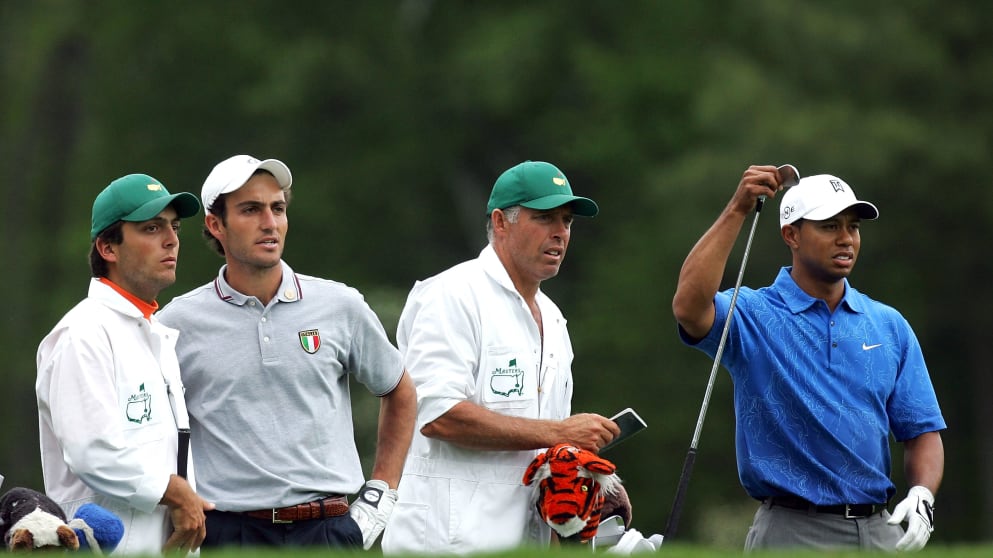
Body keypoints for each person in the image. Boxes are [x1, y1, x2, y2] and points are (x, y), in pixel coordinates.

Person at [672, 166, 946, 552]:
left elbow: (921, 432)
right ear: (792, 235)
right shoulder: (752, 313)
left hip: (881, 531)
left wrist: (922, 495)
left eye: (853, 227)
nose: (846, 239)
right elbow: (689, 307)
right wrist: (738, 208)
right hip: (792, 531)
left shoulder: (888, 324)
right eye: (830, 226)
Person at [157, 154, 416, 549]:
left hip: (328, 529)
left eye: (277, 208)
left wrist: (381, 495)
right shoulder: (177, 323)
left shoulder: (339, 304)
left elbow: (398, 388)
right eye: (250, 210)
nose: (270, 222)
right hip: (229, 533)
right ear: (216, 224)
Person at [381, 160, 622, 555]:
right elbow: (437, 416)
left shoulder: (555, 319)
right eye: (545, 218)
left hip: (526, 543)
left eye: (567, 221)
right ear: (501, 221)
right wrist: (559, 433)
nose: (560, 232)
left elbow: (546, 450)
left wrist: (591, 482)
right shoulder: (450, 295)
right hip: (445, 544)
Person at [36, 173, 213, 555]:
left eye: (174, 226)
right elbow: (92, 451)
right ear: (108, 247)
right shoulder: (83, 333)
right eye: (151, 228)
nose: (171, 239)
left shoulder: (150, 329)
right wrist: (176, 494)